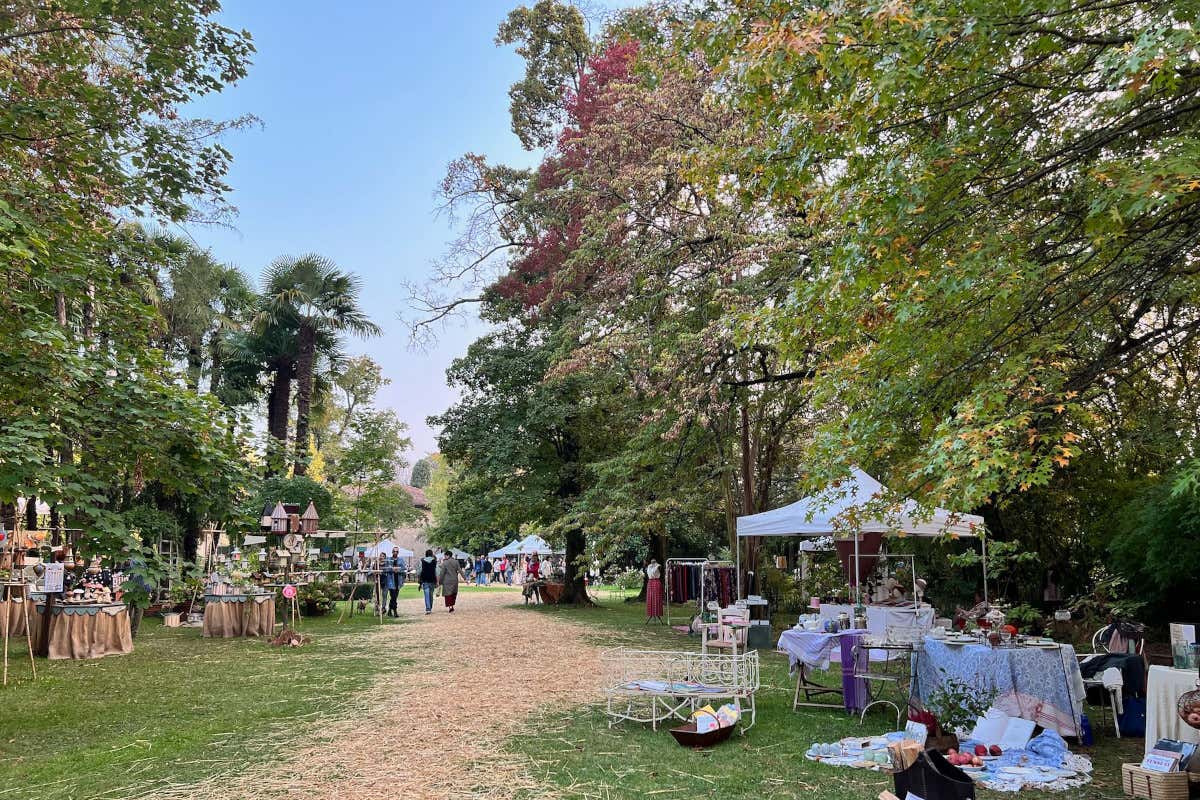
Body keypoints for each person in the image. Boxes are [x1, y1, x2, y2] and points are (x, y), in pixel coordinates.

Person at [381, 547, 404, 617]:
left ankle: (390, 610)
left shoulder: (401, 560)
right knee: (393, 596)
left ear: (398, 552)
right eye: (394, 551)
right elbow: (385, 569)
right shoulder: (388, 560)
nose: (395, 553)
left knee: (394, 597)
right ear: (392, 552)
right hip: (391, 581)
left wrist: (398, 570)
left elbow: (403, 568)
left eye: (397, 551)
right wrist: (392, 569)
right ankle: (395, 611)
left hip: (398, 581)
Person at [417, 549, 438, 614]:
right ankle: (430, 607)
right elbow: (437, 572)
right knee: (431, 594)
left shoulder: (422, 561)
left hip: (425, 579)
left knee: (426, 594)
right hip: (432, 579)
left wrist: (419, 578)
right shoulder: (434, 561)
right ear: (431, 554)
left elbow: (419, 571)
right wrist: (437, 581)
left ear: (426, 554)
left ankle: (428, 608)